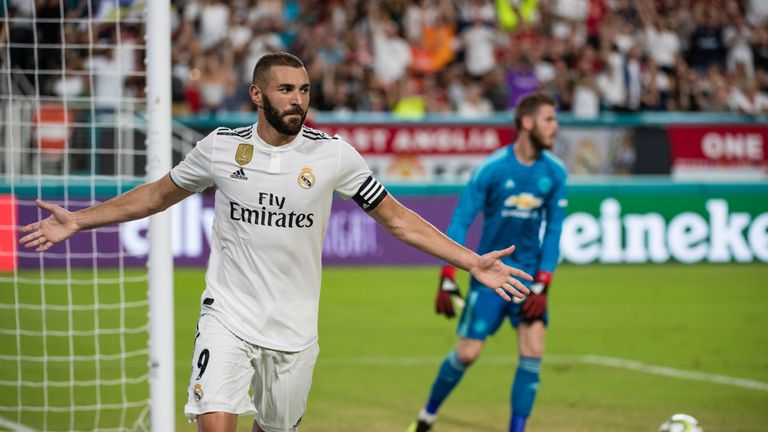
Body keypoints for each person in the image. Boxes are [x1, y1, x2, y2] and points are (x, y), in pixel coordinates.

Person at [19, 52, 533, 432]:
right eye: (286, 89)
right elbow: (157, 195)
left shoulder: (334, 156)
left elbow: (398, 220)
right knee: (214, 422)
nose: (298, 100)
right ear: (258, 95)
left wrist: (472, 263)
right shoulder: (220, 149)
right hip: (228, 314)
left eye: (305, 90)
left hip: (294, 329)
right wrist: (79, 221)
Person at [408, 92, 568, 432]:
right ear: (527, 123)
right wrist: (448, 275)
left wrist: (543, 281)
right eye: (549, 120)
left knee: (533, 350)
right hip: (488, 275)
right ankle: (427, 416)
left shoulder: (555, 173)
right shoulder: (492, 169)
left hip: (527, 277)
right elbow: (461, 220)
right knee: (467, 354)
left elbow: (553, 231)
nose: (556, 127)